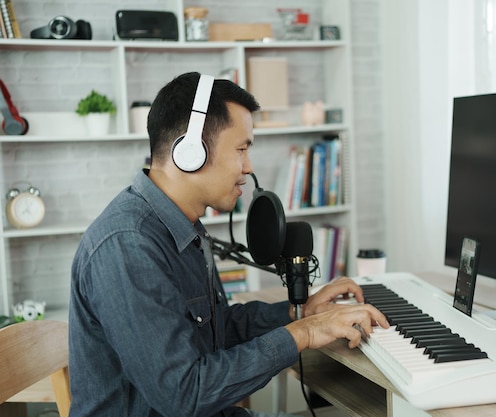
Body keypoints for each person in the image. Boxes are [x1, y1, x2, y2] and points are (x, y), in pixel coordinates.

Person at [68, 72, 388, 417]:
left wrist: (300, 313)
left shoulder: (179, 226)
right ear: (189, 151)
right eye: (241, 149)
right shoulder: (128, 245)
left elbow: (216, 328)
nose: (248, 168)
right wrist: (304, 334)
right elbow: (184, 395)